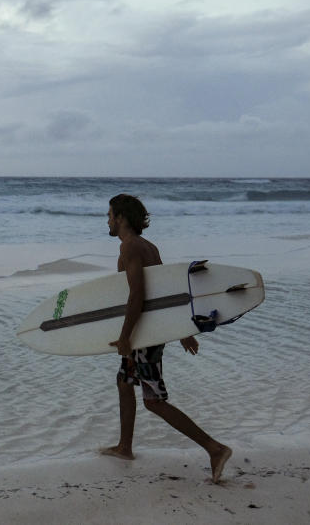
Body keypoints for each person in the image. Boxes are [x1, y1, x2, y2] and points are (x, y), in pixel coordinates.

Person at [101, 194, 232, 483]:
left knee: (154, 401)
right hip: (149, 330)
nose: (107, 220)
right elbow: (167, 292)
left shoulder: (130, 247)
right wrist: (181, 330)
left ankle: (215, 449)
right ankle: (125, 447)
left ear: (121, 217)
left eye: (109, 214)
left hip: (144, 333)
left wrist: (126, 337)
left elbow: (139, 295)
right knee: (125, 383)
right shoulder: (148, 246)